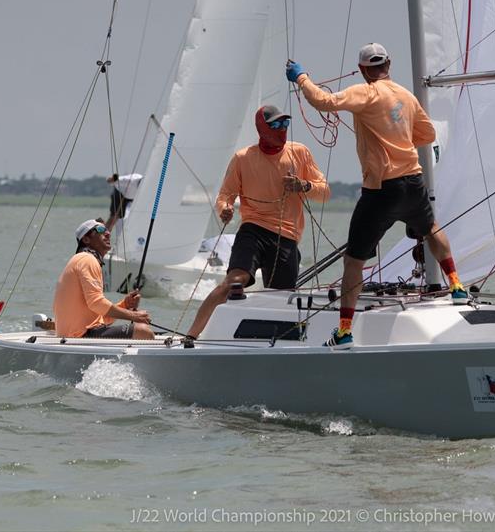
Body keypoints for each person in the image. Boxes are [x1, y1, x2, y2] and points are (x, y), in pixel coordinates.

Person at [286, 42, 469, 349]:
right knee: (430, 229)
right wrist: (396, 133)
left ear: (362, 70)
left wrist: (301, 78)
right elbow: (428, 135)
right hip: (413, 181)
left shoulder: (366, 92)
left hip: (382, 190)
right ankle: (457, 287)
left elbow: (324, 101)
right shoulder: (406, 96)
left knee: (354, 261)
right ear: (389, 64)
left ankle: (344, 331)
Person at [185, 105, 330, 344]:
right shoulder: (244, 158)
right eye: (275, 125)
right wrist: (225, 210)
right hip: (253, 229)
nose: (282, 129)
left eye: (285, 124)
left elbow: (325, 193)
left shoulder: (300, 152)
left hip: (287, 237)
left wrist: (304, 186)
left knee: (282, 300)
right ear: (262, 129)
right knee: (234, 282)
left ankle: (273, 345)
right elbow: (224, 196)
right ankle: (191, 336)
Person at [53, 218, 154, 339]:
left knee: (141, 330)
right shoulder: (87, 259)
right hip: (79, 335)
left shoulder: (83, 259)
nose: (107, 233)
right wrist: (133, 316)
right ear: (86, 239)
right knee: (143, 331)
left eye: (107, 229)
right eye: (100, 229)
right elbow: (96, 303)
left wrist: (125, 305)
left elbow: (99, 318)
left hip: (78, 334)